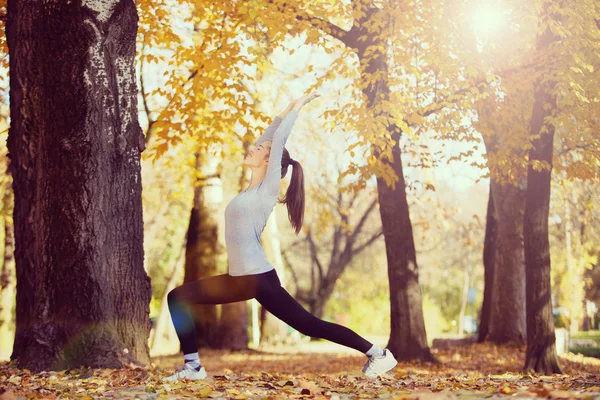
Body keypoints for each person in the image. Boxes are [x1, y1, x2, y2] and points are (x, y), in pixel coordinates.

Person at [163, 93, 397, 382]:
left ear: (269, 160)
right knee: (178, 298)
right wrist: (281, 113)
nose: (253, 148)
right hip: (240, 279)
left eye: (259, 149)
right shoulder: (251, 189)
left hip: (259, 279)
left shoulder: (267, 190)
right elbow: (270, 138)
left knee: (309, 326)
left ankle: (378, 353)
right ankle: (193, 367)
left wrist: (296, 110)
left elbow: (278, 142)